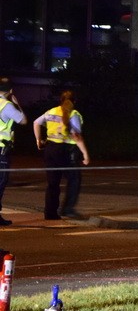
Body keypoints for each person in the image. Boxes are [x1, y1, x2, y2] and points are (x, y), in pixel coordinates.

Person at [33, 90, 90, 220]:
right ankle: (68, 209)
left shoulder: (51, 111)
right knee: (74, 179)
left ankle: (50, 213)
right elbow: (76, 136)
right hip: (66, 150)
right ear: (74, 102)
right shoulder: (74, 114)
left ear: (60, 100)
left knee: (53, 183)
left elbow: (36, 123)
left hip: (50, 149)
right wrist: (85, 154)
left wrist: (38, 140)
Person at [0, 78, 28, 226]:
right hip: (1, 150)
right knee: (1, 181)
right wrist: (17, 104)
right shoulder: (7, 105)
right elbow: (23, 121)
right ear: (10, 91)